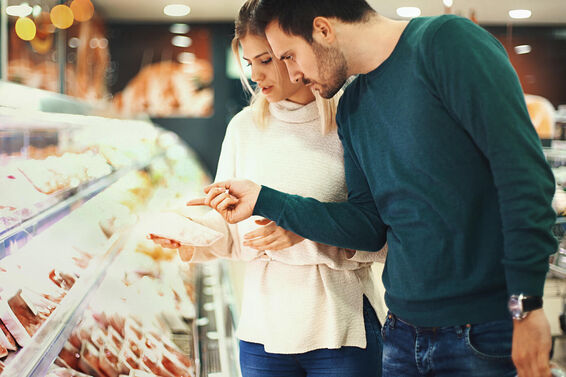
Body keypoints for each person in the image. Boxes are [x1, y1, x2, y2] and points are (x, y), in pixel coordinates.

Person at [189, 1, 558, 376]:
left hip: (481, 331)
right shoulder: (353, 106)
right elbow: (367, 225)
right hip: (401, 333)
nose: (293, 73)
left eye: (289, 56)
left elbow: (524, 178)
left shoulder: (446, 42)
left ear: (322, 30)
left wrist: (526, 305)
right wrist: (264, 200)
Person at [152, 1, 385, 376]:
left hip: (340, 330)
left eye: (267, 60)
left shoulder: (351, 122)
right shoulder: (243, 128)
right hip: (263, 332)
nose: (257, 75)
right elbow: (235, 232)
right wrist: (189, 232)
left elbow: (379, 236)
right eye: (250, 64)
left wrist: (303, 233)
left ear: (293, 52)